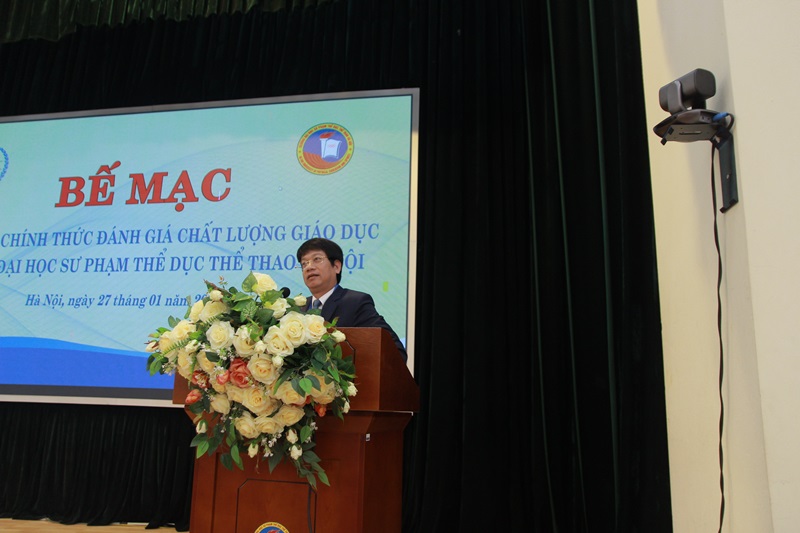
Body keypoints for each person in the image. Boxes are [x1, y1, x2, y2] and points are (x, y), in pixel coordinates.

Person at [296, 238, 408, 362]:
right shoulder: (296, 310)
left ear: (337, 266)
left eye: (317, 259)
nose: (309, 267)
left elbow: (395, 350)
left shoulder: (355, 303)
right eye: (304, 263)